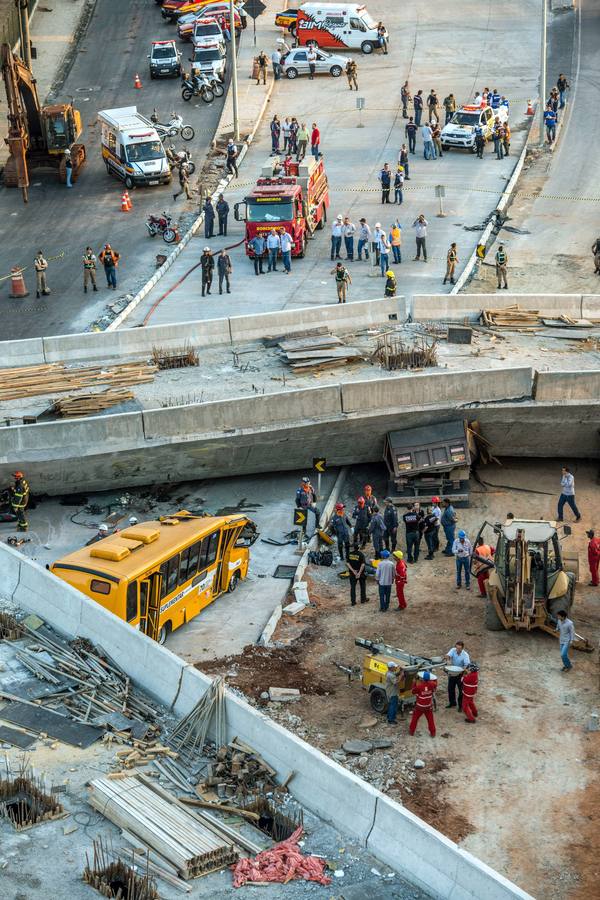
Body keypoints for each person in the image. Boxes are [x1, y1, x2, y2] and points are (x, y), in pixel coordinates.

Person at [409, 671, 436, 737]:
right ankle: (433, 733)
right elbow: (434, 685)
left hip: (420, 707)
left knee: (415, 718)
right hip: (428, 706)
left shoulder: (419, 686)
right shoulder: (432, 685)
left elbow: (412, 691)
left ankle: (411, 731)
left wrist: (414, 682)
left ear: (423, 679)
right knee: (430, 720)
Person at [445, 640, 470, 710]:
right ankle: (452, 703)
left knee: (461, 691)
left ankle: (460, 706)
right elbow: (447, 655)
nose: (457, 650)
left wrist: (462, 671)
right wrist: (448, 660)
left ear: (462, 648)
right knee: (450, 689)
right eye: (457, 648)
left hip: (460, 674)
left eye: (459, 649)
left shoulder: (465, 655)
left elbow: (467, 665)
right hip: (452, 672)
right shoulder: (453, 650)